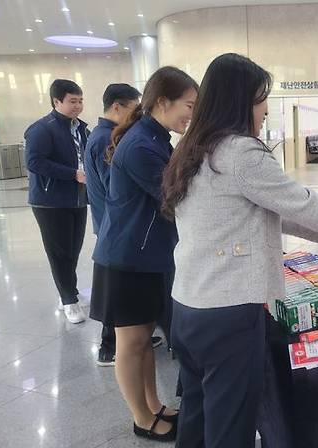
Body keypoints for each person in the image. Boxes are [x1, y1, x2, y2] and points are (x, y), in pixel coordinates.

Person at [161, 53, 318, 448]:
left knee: (198, 416)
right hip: (229, 313)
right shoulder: (240, 153)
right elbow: (301, 202)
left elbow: (274, 209)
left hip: (188, 306)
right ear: (240, 101)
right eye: (260, 98)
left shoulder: (194, 148)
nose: (266, 109)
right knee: (231, 425)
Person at [90, 66, 198, 442]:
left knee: (143, 343)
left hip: (146, 257)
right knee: (131, 344)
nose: (191, 114)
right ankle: (141, 417)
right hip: (127, 260)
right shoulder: (140, 145)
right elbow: (175, 198)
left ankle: (155, 405)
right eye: (189, 105)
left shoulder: (154, 137)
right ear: (163, 102)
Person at [84, 83, 153, 367]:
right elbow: (119, 189)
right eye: (133, 109)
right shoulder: (106, 138)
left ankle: (129, 337)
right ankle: (108, 347)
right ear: (116, 107)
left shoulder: (103, 135)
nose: (137, 116)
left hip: (111, 224)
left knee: (126, 302)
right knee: (118, 299)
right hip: (115, 227)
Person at [25, 79, 88, 324]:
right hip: (50, 201)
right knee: (59, 252)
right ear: (56, 101)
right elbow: (34, 162)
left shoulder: (80, 127)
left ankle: (69, 291)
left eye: (80, 100)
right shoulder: (42, 129)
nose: (78, 106)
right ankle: (68, 300)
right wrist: (72, 174)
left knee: (73, 249)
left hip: (77, 198)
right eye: (73, 101)